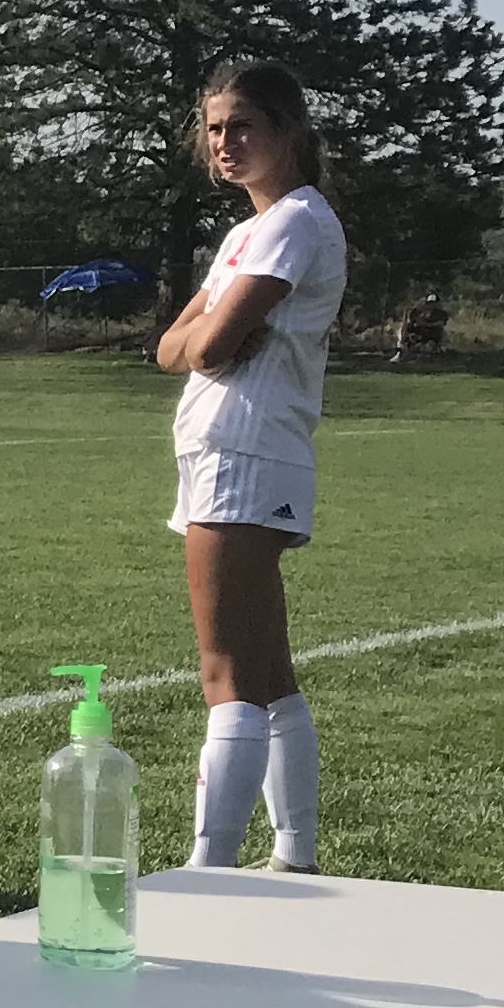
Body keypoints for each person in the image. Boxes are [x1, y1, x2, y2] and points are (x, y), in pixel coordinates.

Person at [153, 59, 345, 874]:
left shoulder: (297, 221)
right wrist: (203, 344)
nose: (224, 143)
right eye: (214, 128)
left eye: (242, 126)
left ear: (288, 131)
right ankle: (294, 853)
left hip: (245, 449)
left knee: (225, 672)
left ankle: (210, 867)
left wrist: (207, 343)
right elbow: (172, 347)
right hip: (233, 450)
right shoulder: (244, 232)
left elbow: (217, 342)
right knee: (268, 674)